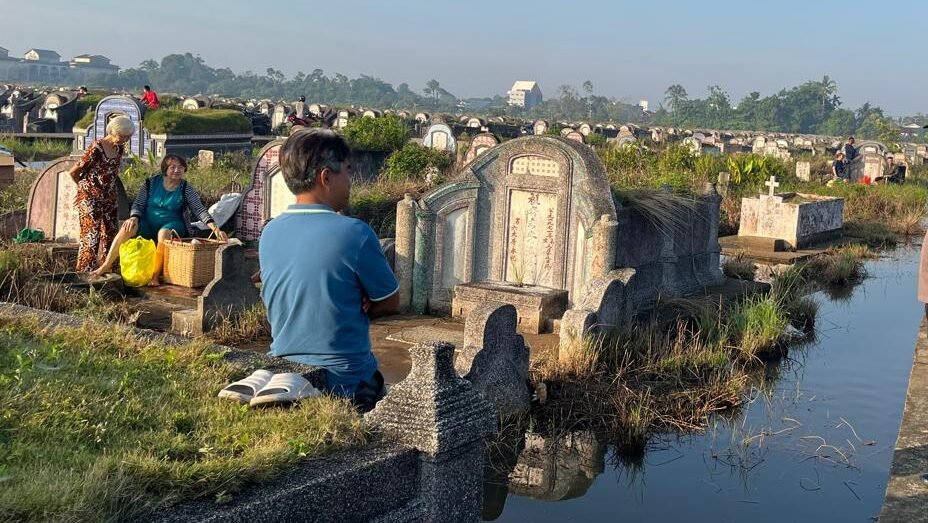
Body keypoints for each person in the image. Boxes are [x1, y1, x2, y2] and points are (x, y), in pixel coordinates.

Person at [259, 129, 398, 406]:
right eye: (347, 171)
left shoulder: (270, 231)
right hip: (346, 375)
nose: (350, 181)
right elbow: (390, 302)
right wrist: (363, 300)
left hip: (283, 367)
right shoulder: (355, 233)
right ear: (325, 177)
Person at [91, 154, 227, 284]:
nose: (177, 170)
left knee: (163, 233)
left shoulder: (186, 188)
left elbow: (199, 210)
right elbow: (138, 204)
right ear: (165, 170)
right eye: (173, 167)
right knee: (128, 227)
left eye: (180, 167)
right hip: (147, 222)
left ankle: (155, 276)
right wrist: (133, 218)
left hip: (173, 223)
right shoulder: (150, 183)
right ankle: (106, 266)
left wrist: (215, 229)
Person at [69, 115, 134, 272]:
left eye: (127, 137)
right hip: (90, 196)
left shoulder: (119, 148)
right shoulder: (97, 147)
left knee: (111, 232)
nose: (124, 140)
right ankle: (85, 272)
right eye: (122, 136)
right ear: (113, 131)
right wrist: (85, 188)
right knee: (91, 236)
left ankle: (108, 268)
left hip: (109, 196)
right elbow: (74, 171)